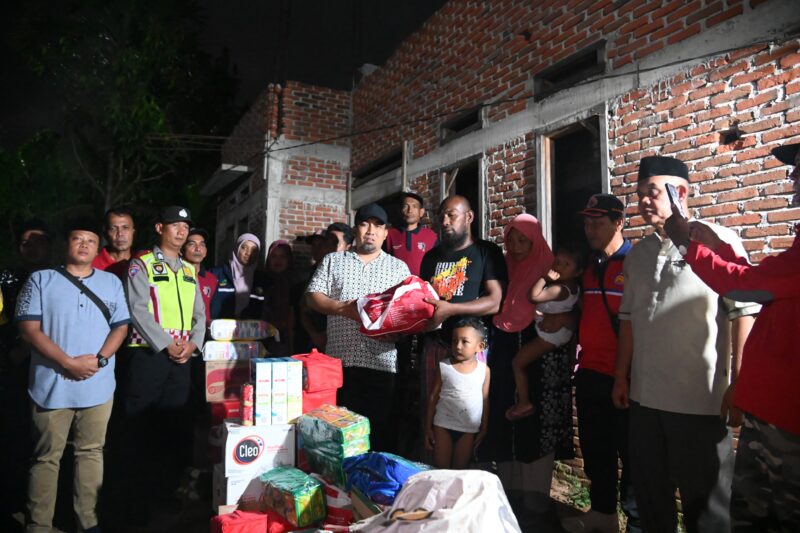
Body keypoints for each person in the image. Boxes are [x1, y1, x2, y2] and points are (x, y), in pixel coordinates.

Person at [611, 156, 760, 533]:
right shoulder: (638, 254)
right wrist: (621, 377)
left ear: (682, 192)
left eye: (655, 191)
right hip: (645, 401)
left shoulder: (717, 240)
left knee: (707, 507)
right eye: (640, 193)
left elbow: (743, 312)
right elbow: (628, 321)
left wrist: (740, 384)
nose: (645, 200)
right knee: (650, 499)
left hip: (699, 402)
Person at [663, 142, 800, 531]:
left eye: (799, 170)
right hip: (772, 413)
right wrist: (716, 246)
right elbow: (765, 283)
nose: (792, 178)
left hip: (789, 423)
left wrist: (688, 245)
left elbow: (745, 289)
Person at [16, 217, 130, 533]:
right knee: (45, 458)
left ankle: (87, 521)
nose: (84, 245)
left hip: (99, 384)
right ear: (66, 244)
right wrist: (67, 362)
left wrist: (100, 360)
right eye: (77, 239)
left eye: (90, 240)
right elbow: (28, 329)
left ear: (97, 247)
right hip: (51, 384)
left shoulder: (111, 283)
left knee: (91, 452)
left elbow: (121, 326)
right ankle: (39, 523)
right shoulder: (41, 280)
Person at [482, 213, 573, 528]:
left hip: (542, 356)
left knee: (537, 422)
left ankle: (535, 500)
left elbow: (574, 301)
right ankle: (508, 494)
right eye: (512, 240)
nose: (518, 247)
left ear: (536, 241)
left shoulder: (551, 266)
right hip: (505, 348)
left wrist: (568, 321)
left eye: (524, 240)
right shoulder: (504, 268)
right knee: (506, 415)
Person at [122, 206, 206, 517]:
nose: (182, 231)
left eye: (186, 226)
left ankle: (168, 495)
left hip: (182, 360)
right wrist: (166, 344)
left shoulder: (188, 270)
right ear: (160, 228)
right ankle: (135, 501)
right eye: (175, 225)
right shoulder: (141, 264)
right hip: (149, 356)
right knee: (141, 428)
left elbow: (200, 315)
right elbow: (137, 309)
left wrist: (192, 345)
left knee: (175, 427)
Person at [306, 203, 410, 452]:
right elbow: (312, 296)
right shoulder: (333, 261)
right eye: (365, 224)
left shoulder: (399, 269)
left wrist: (399, 332)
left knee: (378, 435)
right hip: (339, 364)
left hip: (380, 364)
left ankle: (373, 488)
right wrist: (345, 309)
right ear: (356, 230)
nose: (371, 230)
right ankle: (339, 488)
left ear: (386, 233)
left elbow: (408, 314)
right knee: (338, 436)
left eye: (378, 225)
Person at [563, 194, 638, 533]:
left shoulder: (636, 262)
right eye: (586, 222)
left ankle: (637, 521)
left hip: (629, 378)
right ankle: (603, 515)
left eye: (598, 222)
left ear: (619, 221)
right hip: (590, 372)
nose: (589, 229)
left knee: (634, 456)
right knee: (596, 451)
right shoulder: (588, 267)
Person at [419, 195, 506, 427]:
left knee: (468, 419)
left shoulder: (486, 252)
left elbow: (495, 301)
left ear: (469, 217)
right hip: (435, 345)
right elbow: (421, 300)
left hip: (470, 349)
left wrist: (450, 310)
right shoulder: (430, 257)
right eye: (442, 217)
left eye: (451, 215)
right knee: (434, 414)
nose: (445, 221)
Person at [0, 219, 53, 527]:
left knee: (45, 443)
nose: (33, 248)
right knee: (14, 436)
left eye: (39, 241)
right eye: (26, 243)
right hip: (14, 368)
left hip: (52, 368)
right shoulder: (7, 277)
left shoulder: (60, 277)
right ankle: (12, 502)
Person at [506, 242, 585, 421]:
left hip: (550, 334)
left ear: (578, 271)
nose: (558, 267)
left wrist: (545, 278)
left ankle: (524, 402)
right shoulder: (574, 287)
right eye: (557, 262)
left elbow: (533, 296)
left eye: (566, 264)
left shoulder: (558, 288)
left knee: (517, 363)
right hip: (559, 334)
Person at [425, 317, 490, 469]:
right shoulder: (444, 366)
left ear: (479, 346)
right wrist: (428, 427)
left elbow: (485, 399)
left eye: (464, 341)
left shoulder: (484, 371)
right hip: (442, 425)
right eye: (455, 341)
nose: (458, 346)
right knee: (441, 471)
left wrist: (484, 428)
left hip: (468, 429)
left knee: (460, 471)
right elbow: (433, 397)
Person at [209, 233, 264, 319]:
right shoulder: (217, 274)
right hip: (221, 329)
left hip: (250, 330)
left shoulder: (261, 279)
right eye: (244, 247)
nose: (248, 253)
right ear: (236, 249)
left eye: (253, 250)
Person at [385, 192, 438, 277]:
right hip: (396, 287)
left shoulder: (432, 236)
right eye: (406, 206)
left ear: (421, 212)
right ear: (401, 210)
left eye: (414, 206)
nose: (410, 210)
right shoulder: (389, 235)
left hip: (422, 287)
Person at [262, 240, 295, 356]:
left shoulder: (295, 284)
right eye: (274, 256)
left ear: (289, 259)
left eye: (283, 256)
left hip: (289, 341)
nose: (278, 260)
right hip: (262, 339)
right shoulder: (260, 282)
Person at [182, 227, 218, 326]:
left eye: (202, 244)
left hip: (204, 335)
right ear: (181, 249)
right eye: (191, 244)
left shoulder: (212, 279)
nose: (198, 249)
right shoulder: (174, 275)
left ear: (206, 251)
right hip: (179, 335)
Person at [92, 206, 136, 279]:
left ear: (133, 233)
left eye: (125, 228)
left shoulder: (142, 263)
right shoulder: (92, 265)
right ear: (105, 234)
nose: (120, 233)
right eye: (113, 229)